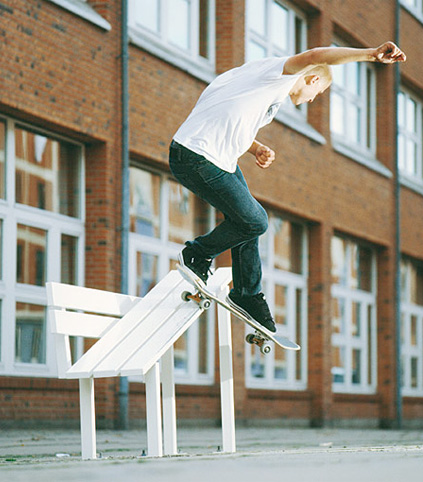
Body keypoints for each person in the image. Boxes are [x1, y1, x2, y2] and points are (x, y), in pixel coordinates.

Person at [169, 41, 406, 334]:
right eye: (316, 95)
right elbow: (317, 56)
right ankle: (197, 254)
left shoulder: (256, 81)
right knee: (255, 221)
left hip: (211, 157)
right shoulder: (280, 73)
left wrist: (254, 148)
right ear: (312, 78)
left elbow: (223, 112)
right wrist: (370, 55)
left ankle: (248, 295)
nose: (310, 101)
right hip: (197, 158)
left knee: (246, 222)